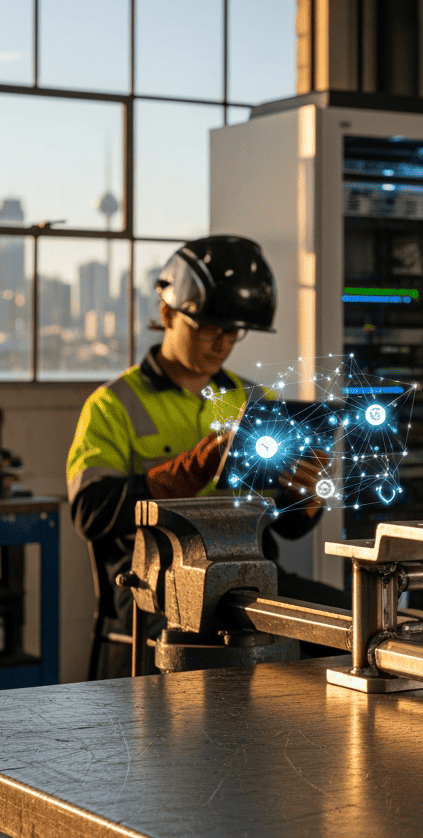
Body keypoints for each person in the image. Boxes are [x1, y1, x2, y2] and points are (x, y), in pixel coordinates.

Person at [66, 235, 348, 675]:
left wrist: (306, 494)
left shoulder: (255, 399)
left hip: (252, 579)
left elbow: (288, 528)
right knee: (214, 643)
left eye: (233, 332)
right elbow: (90, 510)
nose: (222, 343)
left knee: (358, 628)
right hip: (157, 586)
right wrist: (186, 473)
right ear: (167, 314)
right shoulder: (112, 405)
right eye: (210, 328)